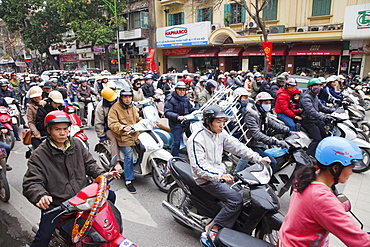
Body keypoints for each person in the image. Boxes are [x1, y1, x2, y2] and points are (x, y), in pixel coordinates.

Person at [23, 111, 120, 247]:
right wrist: (41, 195)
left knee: (111, 196)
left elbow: (89, 164)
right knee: (43, 238)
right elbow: (31, 182)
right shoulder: (39, 155)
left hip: (83, 197)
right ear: (49, 130)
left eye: (65, 129)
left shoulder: (76, 144)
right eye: (57, 129)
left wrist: (103, 174)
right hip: (58, 204)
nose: (62, 133)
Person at [188, 105, 270, 233]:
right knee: (236, 199)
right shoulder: (196, 139)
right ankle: (213, 226)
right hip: (206, 179)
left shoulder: (221, 134)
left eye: (223, 121)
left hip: (220, 174)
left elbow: (237, 147)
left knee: (246, 193)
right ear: (208, 122)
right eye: (218, 122)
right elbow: (199, 166)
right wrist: (219, 176)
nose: (222, 125)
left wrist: (258, 158)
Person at [279, 136, 370, 246]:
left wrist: (338, 206)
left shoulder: (306, 177)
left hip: (286, 239)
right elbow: (361, 242)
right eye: (350, 168)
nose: (351, 173)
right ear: (335, 168)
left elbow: (313, 208)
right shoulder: (322, 198)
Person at [240, 92, 290, 172]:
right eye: (266, 103)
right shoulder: (251, 115)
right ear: (259, 103)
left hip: (261, 144)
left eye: (269, 103)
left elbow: (272, 123)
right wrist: (276, 142)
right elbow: (256, 134)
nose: (268, 105)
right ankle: (266, 183)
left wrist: (287, 130)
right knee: (272, 162)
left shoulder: (262, 114)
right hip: (252, 145)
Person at [108, 87, 142, 194]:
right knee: (129, 155)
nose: (127, 99)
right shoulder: (115, 108)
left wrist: (145, 122)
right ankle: (128, 180)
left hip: (135, 134)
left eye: (129, 97)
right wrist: (123, 127)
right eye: (125, 97)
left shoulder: (132, 107)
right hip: (123, 136)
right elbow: (112, 123)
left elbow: (137, 119)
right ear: (121, 98)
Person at [299, 78, 335, 157]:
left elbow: (321, 107)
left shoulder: (315, 96)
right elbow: (311, 111)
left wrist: (332, 111)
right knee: (317, 139)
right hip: (308, 121)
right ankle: (307, 155)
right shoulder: (306, 97)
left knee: (325, 136)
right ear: (310, 87)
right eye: (315, 86)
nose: (317, 88)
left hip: (315, 120)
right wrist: (323, 117)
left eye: (319, 86)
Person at [164, 82, 195, 157]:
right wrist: (177, 117)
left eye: (184, 90)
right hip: (176, 123)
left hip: (186, 122)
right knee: (176, 142)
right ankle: (174, 158)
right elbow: (167, 112)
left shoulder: (186, 99)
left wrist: (198, 111)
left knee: (193, 139)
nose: (182, 91)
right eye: (180, 89)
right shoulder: (170, 99)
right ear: (176, 90)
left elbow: (190, 108)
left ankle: (193, 155)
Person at [95, 88, 122, 173]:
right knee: (113, 140)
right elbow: (98, 123)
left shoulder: (119, 101)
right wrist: (102, 137)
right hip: (109, 128)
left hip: (121, 125)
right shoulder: (100, 107)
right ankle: (116, 162)